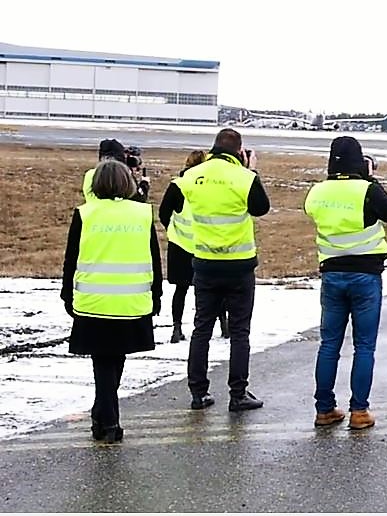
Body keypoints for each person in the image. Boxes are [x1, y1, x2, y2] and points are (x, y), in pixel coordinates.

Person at [158, 128, 270, 411]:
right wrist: (252, 172)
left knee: (201, 329)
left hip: (205, 264)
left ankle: (198, 392)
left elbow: (165, 210)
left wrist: (184, 239)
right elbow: (261, 209)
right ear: (240, 152)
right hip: (240, 266)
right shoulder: (244, 177)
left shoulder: (191, 176)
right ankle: (238, 393)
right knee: (240, 331)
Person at [60, 159, 163, 443]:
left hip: (93, 302)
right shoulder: (141, 214)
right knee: (114, 360)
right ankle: (108, 420)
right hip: (131, 302)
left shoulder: (85, 214)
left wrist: (67, 294)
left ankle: (104, 416)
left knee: (102, 362)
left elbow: (71, 259)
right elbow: (154, 259)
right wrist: (156, 295)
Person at [303, 137, 387, 430]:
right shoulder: (367, 190)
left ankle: (324, 408)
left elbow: (311, 210)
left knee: (329, 344)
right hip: (366, 276)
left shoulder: (317, 192)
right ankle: (359, 411)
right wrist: (370, 179)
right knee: (364, 346)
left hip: (332, 274)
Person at [158, 149, 229, 343]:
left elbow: (163, 213)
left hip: (179, 245)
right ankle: (223, 324)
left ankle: (177, 328)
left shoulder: (177, 185)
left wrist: (173, 229)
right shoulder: (210, 186)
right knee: (215, 289)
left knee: (180, 290)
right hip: (206, 245)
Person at [82, 139, 148, 203]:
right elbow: (140, 199)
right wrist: (144, 184)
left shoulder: (89, 174)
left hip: (93, 211)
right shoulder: (122, 174)